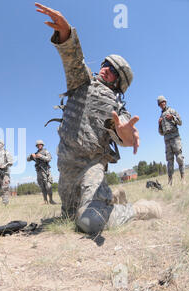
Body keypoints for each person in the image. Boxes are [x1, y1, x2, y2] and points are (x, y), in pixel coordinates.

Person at [35, 3, 161, 235]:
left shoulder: (115, 105)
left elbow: (122, 130)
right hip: (66, 168)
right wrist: (66, 33)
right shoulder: (81, 82)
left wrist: (125, 135)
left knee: (89, 223)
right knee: (68, 216)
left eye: (112, 70)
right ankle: (112, 196)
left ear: (118, 82)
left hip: (91, 167)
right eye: (105, 64)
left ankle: (140, 208)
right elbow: (73, 60)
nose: (104, 69)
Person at [157, 95, 185, 185]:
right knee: (169, 161)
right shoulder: (161, 116)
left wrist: (172, 117)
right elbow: (161, 133)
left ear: (165, 102)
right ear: (159, 105)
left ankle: (183, 179)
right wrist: (159, 124)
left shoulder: (172, 111)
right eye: (160, 103)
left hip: (175, 138)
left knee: (179, 158)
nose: (162, 104)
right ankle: (170, 182)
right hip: (167, 140)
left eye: (163, 102)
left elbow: (180, 122)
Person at [27, 140, 56, 204]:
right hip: (39, 171)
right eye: (37, 145)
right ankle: (45, 201)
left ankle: (51, 200)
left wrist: (41, 156)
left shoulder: (46, 151)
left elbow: (49, 159)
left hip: (46, 171)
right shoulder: (36, 153)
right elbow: (27, 159)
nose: (39, 146)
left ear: (42, 145)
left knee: (48, 186)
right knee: (42, 187)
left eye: (40, 145)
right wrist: (31, 156)